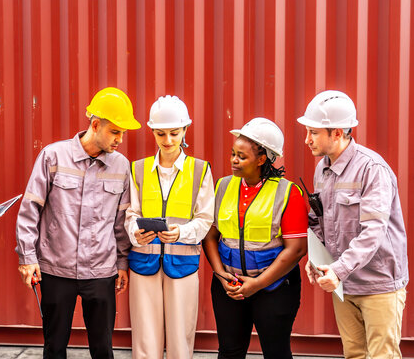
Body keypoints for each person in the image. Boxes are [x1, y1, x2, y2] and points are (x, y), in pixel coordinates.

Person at [15, 87, 141, 359]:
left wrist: (121, 264)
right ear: (95, 125)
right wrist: (27, 256)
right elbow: (30, 209)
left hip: (101, 271)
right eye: (115, 132)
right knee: (55, 346)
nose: (120, 139)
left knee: (102, 349)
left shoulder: (121, 165)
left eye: (123, 133)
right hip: (56, 269)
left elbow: (121, 222)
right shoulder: (54, 156)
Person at [297, 90, 409, 358]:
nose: (307, 139)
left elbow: (373, 232)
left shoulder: (372, 170)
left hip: (378, 285)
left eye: (313, 132)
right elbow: (320, 219)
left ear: (336, 133)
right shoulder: (322, 169)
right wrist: (316, 258)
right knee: (354, 354)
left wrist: (338, 270)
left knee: (382, 355)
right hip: (344, 284)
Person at [202, 117, 308, 359]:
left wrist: (256, 285)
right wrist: (221, 276)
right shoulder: (222, 186)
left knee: (276, 353)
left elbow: (297, 250)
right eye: (233, 153)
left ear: (262, 159)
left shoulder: (287, 193)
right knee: (229, 352)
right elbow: (209, 237)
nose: (234, 160)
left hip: (275, 288)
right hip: (228, 286)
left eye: (242, 156)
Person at [124, 95, 214, 359]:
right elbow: (131, 213)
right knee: (145, 341)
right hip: (143, 263)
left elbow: (205, 218)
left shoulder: (200, 170)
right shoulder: (138, 169)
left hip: (182, 264)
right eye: (161, 134)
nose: (168, 141)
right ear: (152, 131)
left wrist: (181, 233)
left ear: (185, 130)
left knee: (180, 342)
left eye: (174, 133)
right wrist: (135, 233)